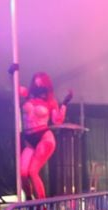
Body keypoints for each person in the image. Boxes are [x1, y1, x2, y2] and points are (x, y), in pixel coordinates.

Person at [19, 72, 72, 200]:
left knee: (32, 171)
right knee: (22, 173)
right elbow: (15, 88)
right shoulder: (27, 95)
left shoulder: (50, 102)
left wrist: (64, 104)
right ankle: (29, 199)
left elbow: (57, 120)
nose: (38, 84)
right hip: (29, 139)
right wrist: (13, 72)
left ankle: (41, 204)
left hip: (44, 137)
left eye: (41, 82)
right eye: (36, 81)